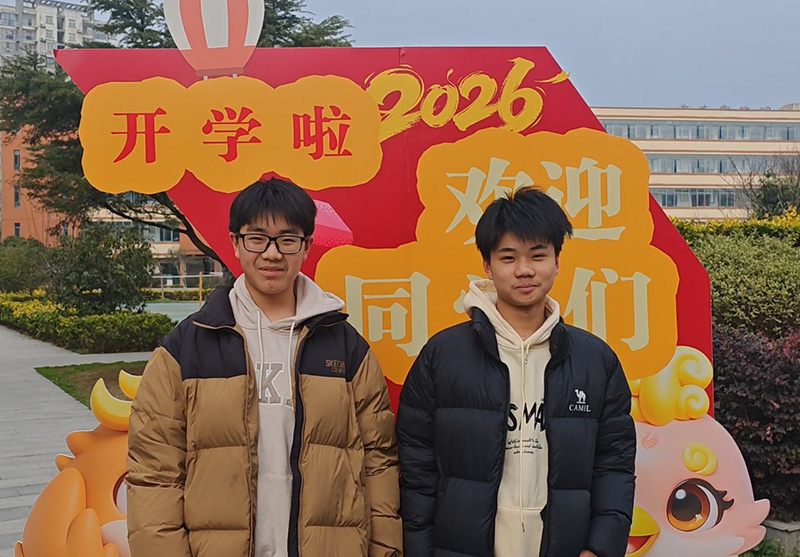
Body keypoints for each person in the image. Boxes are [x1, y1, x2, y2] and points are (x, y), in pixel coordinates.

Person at [127, 178, 402, 557]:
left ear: (306, 246)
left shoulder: (346, 348)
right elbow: (154, 470)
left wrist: (385, 549)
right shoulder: (187, 347)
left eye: (287, 240)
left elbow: (378, 462)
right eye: (257, 239)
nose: (272, 254)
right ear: (235, 242)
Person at [397, 186, 636, 557]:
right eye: (508, 257)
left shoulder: (595, 361)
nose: (524, 270)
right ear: (487, 265)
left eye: (538, 255)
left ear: (557, 261)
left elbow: (614, 466)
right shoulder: (442, 356)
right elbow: (416, 470)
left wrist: (599, 549)